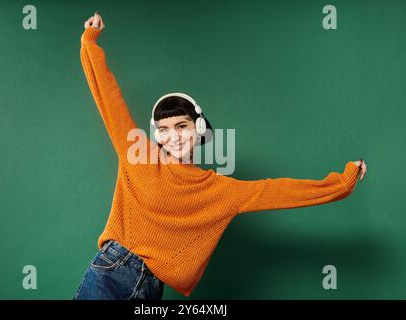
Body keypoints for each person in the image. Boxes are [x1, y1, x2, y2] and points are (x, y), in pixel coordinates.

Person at [74, 11, 368, 300]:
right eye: (163, 129)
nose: (172, 135)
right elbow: (108, 98)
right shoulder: (139, 157)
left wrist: (340, 185)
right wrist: (90, 42)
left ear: (198, 129)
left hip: (152, 288)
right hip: (112, 272)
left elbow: (276, 190)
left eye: (181, 126)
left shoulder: (218, 189)